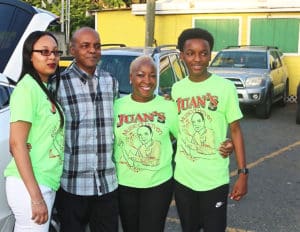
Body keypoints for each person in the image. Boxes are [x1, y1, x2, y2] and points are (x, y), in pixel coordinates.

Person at [113, 55, 234, 232]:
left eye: (153, 75)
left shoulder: (168, 106)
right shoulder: (116, 107)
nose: (147, 80)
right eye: (140, 75)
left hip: (158, 185)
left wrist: (224, 144)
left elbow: (187, 136)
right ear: (130, 77)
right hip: (124, 184)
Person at [172, 27, 248, 232]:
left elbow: (236, 129)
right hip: (183, 179)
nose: (197, 59)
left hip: (214, 179)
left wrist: (243, 173)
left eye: (203, 53)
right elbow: (174, 129)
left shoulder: (225, 88)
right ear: (182, 56)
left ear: (210, 56)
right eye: (190, 53)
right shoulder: (177, 90)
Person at [52, 27, 119, 232]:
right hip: (72, 184)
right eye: (85, 46)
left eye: (97, 46)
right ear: (72, 49)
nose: (92, 50)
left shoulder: (111, 82)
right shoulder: (57, 85)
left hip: (107, 183)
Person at [4, 31, 64, 232]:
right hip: (30, 185)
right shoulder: (27, 88)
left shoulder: (44, 88)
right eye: (44, 52)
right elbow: (16, 143)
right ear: (30, 55)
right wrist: (36, 197)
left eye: (55, 52)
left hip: (44, 180)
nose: (52, 57)